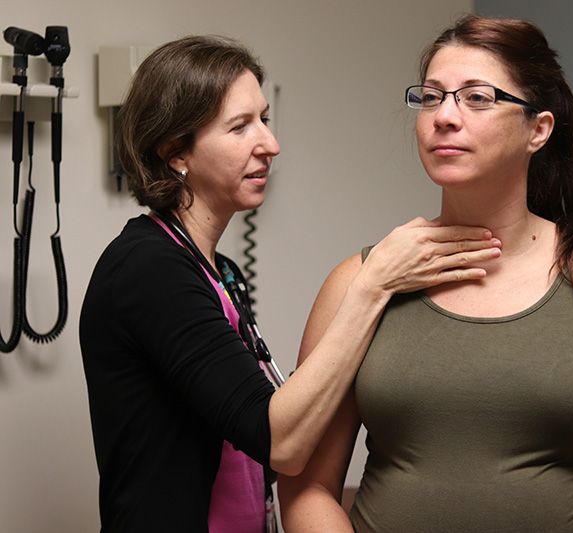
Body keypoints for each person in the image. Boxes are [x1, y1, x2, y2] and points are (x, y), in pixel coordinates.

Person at [278, 15, 573, 532]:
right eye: (432, 97)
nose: (444, 116)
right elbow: (305, 487)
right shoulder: (358, 282)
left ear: (538, 129)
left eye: (477, 97)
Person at [79, 35, 501, 532]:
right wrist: (373, 285)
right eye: (240, 127)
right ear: (175, 152)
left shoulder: (217, 271)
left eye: (264, 119)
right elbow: (279, 441)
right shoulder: (148, 270)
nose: (270, 145)